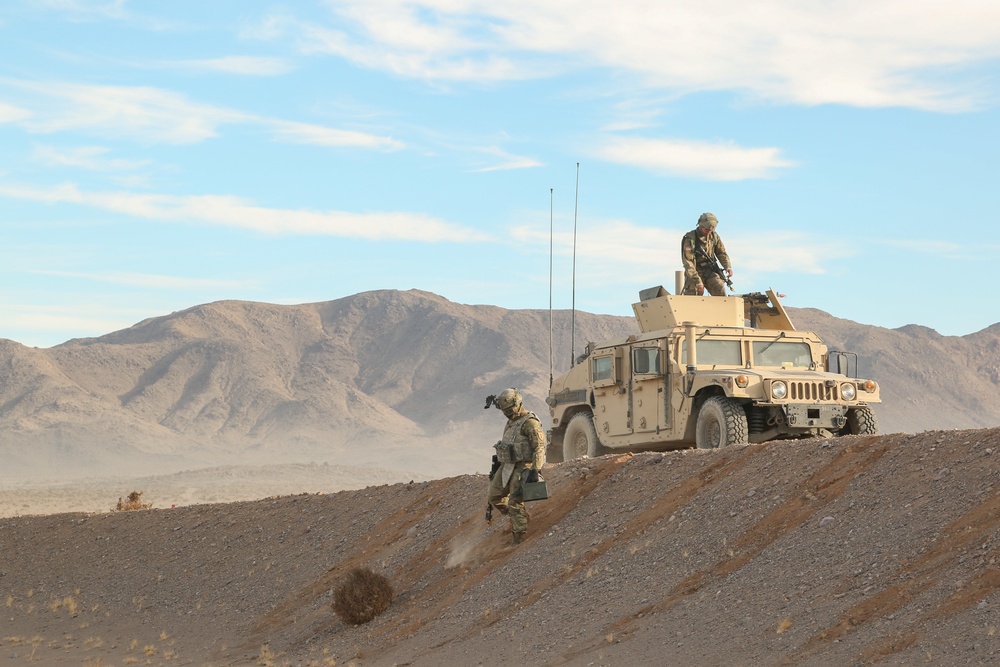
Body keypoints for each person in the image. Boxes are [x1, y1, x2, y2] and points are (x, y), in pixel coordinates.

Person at [487, 388, 546, 546]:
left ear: (518, 404)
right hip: (507, 465)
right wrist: (496, 466)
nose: (506, 413)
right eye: (504, 410)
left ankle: (519, 536)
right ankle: (518, 516)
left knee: (515, 500)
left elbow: (539, 448)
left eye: (509, 409)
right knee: (494, 495)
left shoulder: (530, 423)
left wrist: (535, 469)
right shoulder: (511, 422)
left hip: (523, 466)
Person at [681, 212, 733, 296]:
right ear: (701, 226)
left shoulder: (714, 236)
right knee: (693, 297)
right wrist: (697, 280)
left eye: (711, 230)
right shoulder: (690, 238)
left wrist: (727, 266)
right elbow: (688, 262)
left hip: (710, 271)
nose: (709, 232)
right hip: (694, 272)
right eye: (707, 229)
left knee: (720, 288)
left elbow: (721, 253)